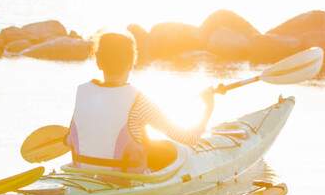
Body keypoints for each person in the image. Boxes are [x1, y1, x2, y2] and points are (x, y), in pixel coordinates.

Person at [66, 31, 214, 171]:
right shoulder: (138, 100)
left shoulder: (82, 92)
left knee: (148, 142)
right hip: (124, 178)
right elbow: (187, 139)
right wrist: (208, 110)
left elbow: (69, 140)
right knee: (166, 151)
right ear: (132, 64)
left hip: (83, 173)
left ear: (98, 62)